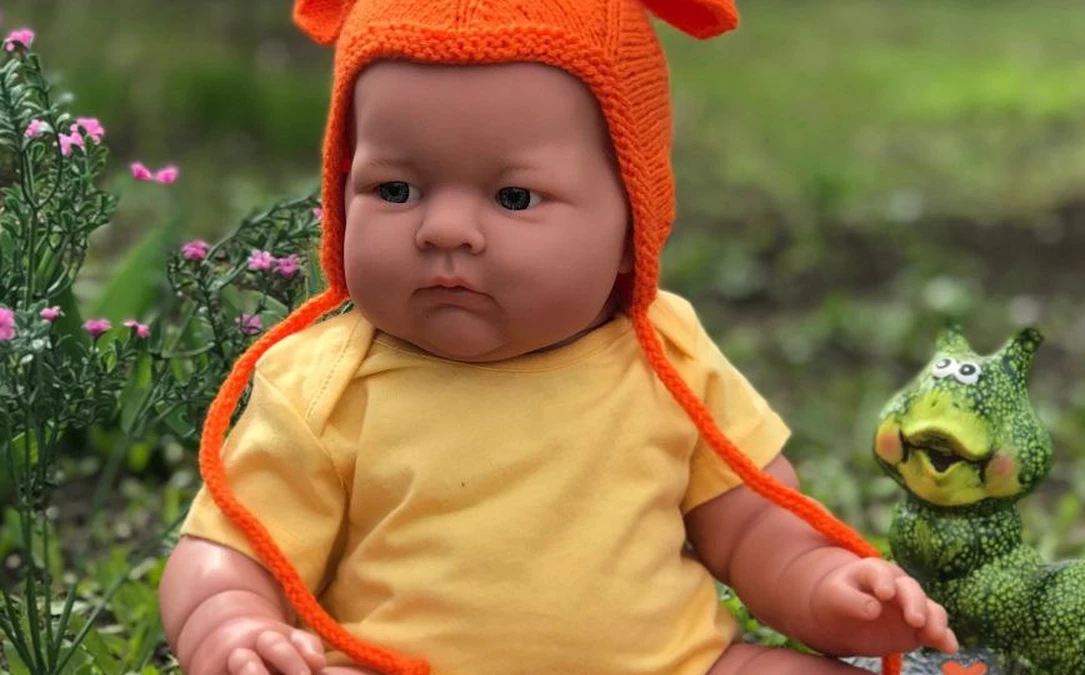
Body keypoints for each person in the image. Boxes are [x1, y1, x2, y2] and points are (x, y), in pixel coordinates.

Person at [158, 0, 960, 673]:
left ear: (630, 225)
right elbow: (232, 548)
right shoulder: (324, 384)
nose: (445, 228)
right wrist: (230, 623)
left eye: (513, 198)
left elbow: (755, 527)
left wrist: (829, 591)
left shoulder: (665, 357)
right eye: (395, 189)